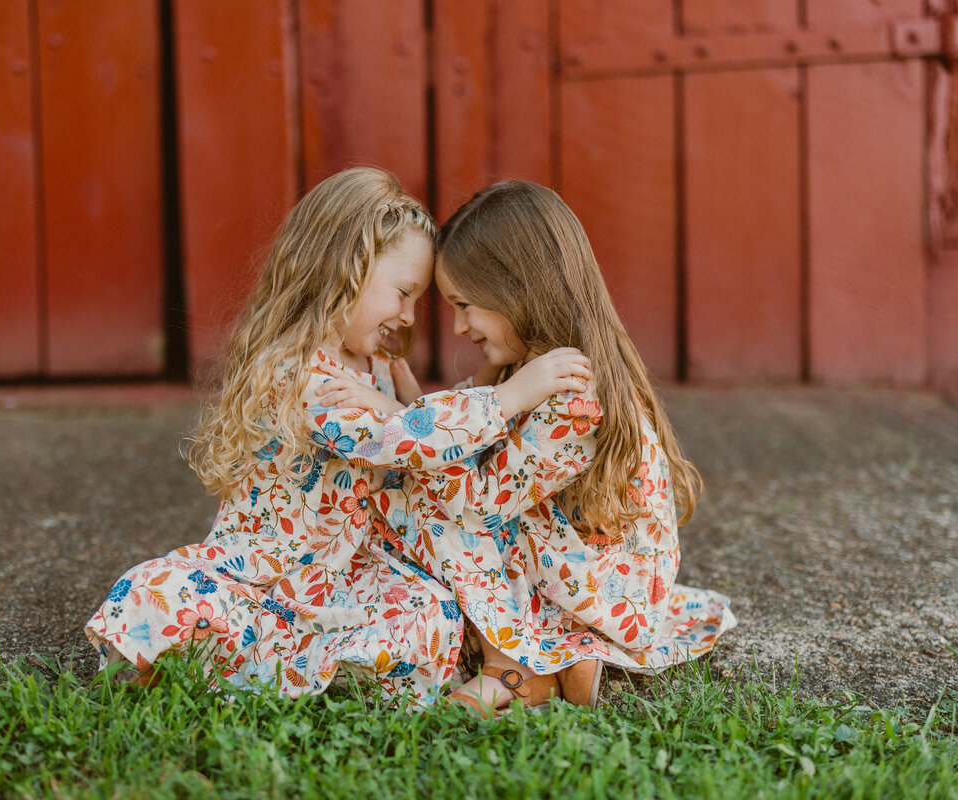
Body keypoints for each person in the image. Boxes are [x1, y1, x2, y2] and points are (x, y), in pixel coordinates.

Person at [84, 167, 591, 702]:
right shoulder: (301, 373)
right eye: (402, 292)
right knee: (163, 591)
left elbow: (412, 423)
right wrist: (510, 397)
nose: (407, 314)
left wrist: (444, 394)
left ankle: (306, 663)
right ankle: (212, 656)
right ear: (342, 269)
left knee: (429, 610)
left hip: (344, 575)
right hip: (264, 572)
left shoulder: (372, 363)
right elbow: (406, 440)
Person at [316, 180, 736, 715]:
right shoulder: (541, 362)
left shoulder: (576, 392)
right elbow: (482, 418)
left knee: (427, 496)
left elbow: (479, 499)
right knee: (437, 477)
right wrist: (417, 406)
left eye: (465, 305)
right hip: (582, 568)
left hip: (608, 587)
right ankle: (571, 659)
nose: (460, 325)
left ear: (518, 289)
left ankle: (516, 671)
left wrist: (395, 419)